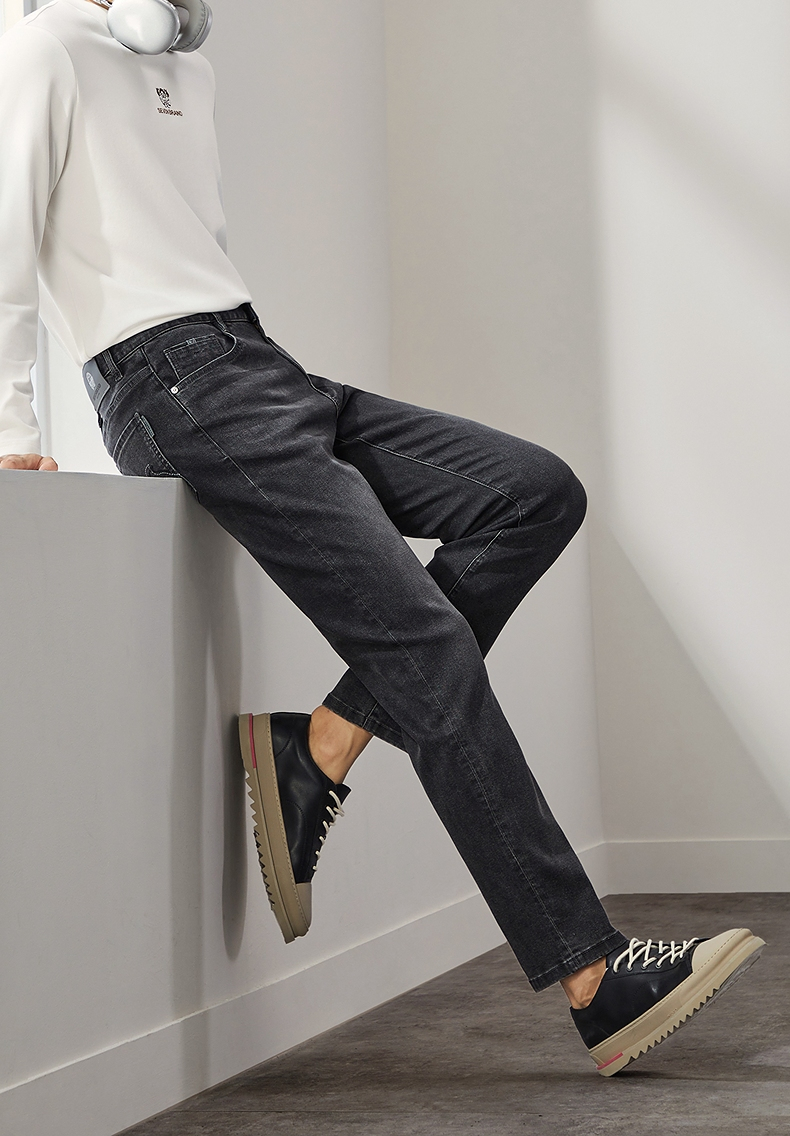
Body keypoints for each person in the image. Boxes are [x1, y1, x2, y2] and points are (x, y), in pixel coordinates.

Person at [0, 0, 764, 1077]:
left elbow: (193, 252)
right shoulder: (41, 48)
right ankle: (593, 975)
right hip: (168, 385)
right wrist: (13, 429)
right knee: (426, 645)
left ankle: (321, 743)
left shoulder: (187, 68)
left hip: (254, 360)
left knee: (535, 493)